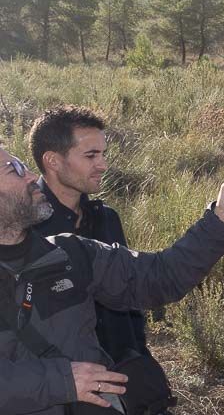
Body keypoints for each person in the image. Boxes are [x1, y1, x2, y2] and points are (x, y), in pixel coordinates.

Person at [0, 146, 224, 415]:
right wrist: (62, 381)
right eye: (14, 170)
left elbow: (160, 276)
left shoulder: (71, 254)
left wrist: (220, 218)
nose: (32, 177)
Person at [29, 105, 148, 360]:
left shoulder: (107, 219)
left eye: (103, 154)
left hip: (122, 370)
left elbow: (129, 295)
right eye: (91, 155)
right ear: (53, 161)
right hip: (59, 386)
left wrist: (139, 353)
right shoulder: (23, 226)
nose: (103, 165)